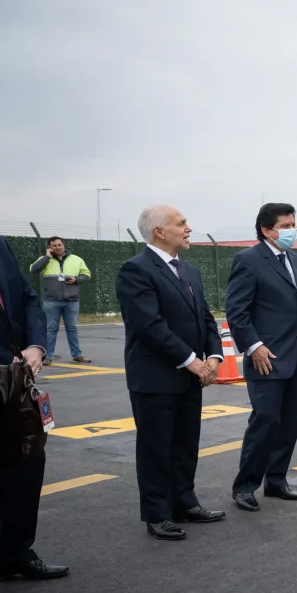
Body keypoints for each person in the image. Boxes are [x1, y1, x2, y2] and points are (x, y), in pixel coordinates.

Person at [0, 156, 69, 593]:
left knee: (23, 471)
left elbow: (29, 300)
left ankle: (12, 555)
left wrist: (35, 346)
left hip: (15, 385)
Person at [115, 205, 226, 541]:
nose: (189, 228)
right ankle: (157, 513)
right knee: (155, 447)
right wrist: (192, 360)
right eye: (181, 223)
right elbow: (149, 325)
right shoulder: (135, 270)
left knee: (184, 443)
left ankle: (184, 502)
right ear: (159, 232)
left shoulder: (188, 270)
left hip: (191, 375)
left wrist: (215, 357)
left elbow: (205, 318)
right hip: (156, 377)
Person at [225, 203, 297, 511]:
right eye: (285, 226)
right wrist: (253, 346)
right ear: (266, 229)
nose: (291, 231)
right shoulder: (248, 260)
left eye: (292, 224)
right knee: (265, 421)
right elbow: (237, 311)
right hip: (266, 356)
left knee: (288, 423)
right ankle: (245, 486)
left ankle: (276, 481)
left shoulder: (296, 260)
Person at [29, 235, 92, 366]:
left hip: (72, 300)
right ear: (49, 248)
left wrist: (77, 279)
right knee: (51, 328)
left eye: (59, 245)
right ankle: (48, 356)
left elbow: (86, 274)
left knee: (72, 328)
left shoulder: (76, 259)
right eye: (54, 246)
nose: (57, 247)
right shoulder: (45, 260)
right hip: (51, 300)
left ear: (64, 245)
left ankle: (77, 355)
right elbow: (34, 270)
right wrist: (47, 257)